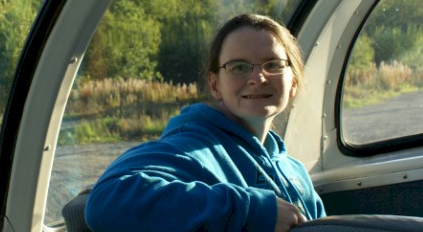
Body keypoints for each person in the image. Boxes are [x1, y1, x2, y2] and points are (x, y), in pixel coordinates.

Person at [84, 13, 325, 232]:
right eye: (239, 67)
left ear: (293, 83)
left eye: (272, 65)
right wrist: (249, 211)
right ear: (215, 85)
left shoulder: (294, 171)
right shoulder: (193, 149)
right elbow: (107, 200)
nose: (258, 78)